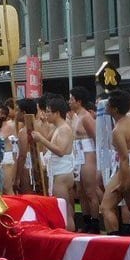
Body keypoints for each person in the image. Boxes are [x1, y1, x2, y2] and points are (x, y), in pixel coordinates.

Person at [100, 90, 130, 236]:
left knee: (106, 207)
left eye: (108, 103)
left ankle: (114, 241)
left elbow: (124, 158)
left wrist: (122, 182)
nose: (105, 106)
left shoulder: (118, 130)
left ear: (114, 109)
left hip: (129, 168)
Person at [33, 96, 76, 230]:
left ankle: (68, 238)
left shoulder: (64, 128)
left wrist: (41, 139)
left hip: (62, 175)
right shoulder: (58, 127)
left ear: (57, 113)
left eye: (49, 112)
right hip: (60, 172)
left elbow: (60, 151)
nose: (46, 114)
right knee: (66, 209)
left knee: (63, 210)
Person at [69, 87, 102, 232]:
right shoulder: (76, 117)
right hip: (78, 156)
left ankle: (95, 222)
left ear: (78, 101)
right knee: (81, 191)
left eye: (71, 99)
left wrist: (98, 160)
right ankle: (86, 220)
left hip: (89, 156)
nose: (69, 102)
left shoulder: (86, 117)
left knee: (90, 191)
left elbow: (96, 138)